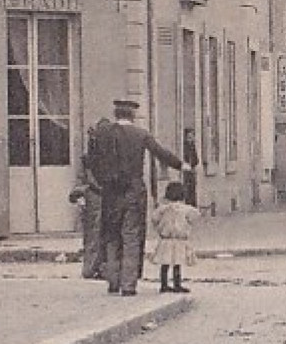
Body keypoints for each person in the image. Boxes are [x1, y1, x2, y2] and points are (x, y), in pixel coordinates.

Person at [84, 99, 186, 297]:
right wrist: (181, 165)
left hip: (110, 192)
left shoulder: (102, 134)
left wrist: (102, 181)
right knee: (131, 236)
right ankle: (128, 285)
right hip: (133, 192)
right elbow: (161, 153)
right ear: (132, 115)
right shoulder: (140, 134)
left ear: (116, 114)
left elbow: (91, 161)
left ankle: (113, 281)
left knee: (111, 235)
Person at [77, 116, 114, 281]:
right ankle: (93, 268)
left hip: (99, 195)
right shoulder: (93, 156)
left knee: (98, 234)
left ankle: (98, 267)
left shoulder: (98, 154)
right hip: (97, 195)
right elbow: (89, 177)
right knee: (96, 234)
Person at [151, 180, 202, 294]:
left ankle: (164, 285)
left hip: (166, 239)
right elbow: (196, 216)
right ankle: (177, 284)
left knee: (165, 263)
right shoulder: (186, 209)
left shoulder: (163, 209)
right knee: (177, 263)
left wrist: (160, 228)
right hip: (180, 240)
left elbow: (154, 218)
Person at [181, 127, 201, 207]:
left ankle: (193, 207)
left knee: (192, 190)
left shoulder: (192, 147)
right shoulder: (184, 147)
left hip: (191, 171)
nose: (191, 139)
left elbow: (196, 160)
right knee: (187, 190)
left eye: (192, 137)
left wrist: (192, 165)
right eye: (189, 137)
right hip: (185, 172)